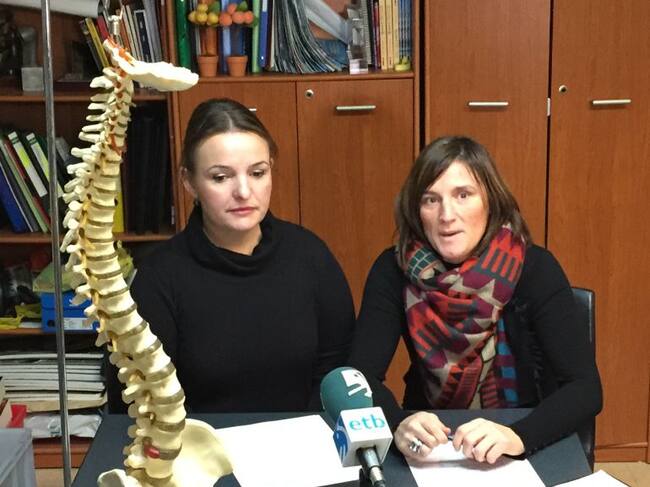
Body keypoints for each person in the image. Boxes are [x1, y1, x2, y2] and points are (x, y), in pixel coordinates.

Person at [349, 136, 602, 464]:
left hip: (522, 433)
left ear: (490, 201)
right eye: (431, 200)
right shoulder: (394, 268)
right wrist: (398, 423)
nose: (446, 215)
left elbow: (585, 389)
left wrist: (517, 436)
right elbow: (359, 378)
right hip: (431, 442)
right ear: (417, 211)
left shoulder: (534, 267)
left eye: (463, 195)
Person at [107, 98, 355, 413]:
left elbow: (339, 370)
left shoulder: (310, 256)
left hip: (305, 436)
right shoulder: (160, 278)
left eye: (257, 173)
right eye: (220, 177)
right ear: (189, 182)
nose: (243, 192)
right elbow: (138, 400)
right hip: (199, 441)